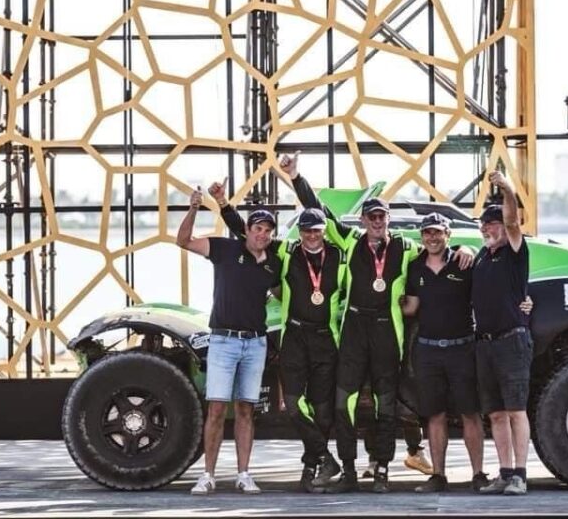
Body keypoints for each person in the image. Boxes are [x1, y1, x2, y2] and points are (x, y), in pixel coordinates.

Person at [280, 152, 472, 493]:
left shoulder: (405, 247)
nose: (377, 222)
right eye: (371, 217)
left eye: (382, 216)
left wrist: (463, 248)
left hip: (386, 331)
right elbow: (319, 210)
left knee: (386, 404)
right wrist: (296, 177)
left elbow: (436, 248)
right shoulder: (350, 241)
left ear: (388, 220)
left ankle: (382, 468)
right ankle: (349, 470)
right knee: (344, 403)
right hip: (354, 329)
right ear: (364, 220)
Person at [211, 180, 344, 493]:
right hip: (295, 337)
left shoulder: (340, 255)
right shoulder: (287, 250)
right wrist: (223, 204)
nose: (311, 235)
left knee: (322, 410)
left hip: (326, 340)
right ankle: (325, 458)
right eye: (306, 230)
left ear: (324, 231)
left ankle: (312, 466)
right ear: (300, 232)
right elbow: (245, 232)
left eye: (317, 230)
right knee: (294, 405)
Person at [176, 186, 280, 496]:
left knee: (246, 410)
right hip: (223, 341)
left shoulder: (273, 264)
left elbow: (281, 293)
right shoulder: (224, 249)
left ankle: (244, 474)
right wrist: (194, 208)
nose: (262, 234)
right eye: (258, 228)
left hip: (256, 343)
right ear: (247, 229)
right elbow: (183, 241)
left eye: (267, 230)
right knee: (217, 410)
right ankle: (207, 475)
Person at [401, 212, 488, 493]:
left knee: (470, 413)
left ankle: (478, 474)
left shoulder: (464, 262)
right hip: (427, 351)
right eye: (427, 232)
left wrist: (470, 249)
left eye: (438, 232)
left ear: (448, 235)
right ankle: (438, 475)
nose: (432, 237)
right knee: (434, 415)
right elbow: (411, 307)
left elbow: (490, 291)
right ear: (422, 236)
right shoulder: (415, 267)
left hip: (462, 348)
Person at [472, 170, 532, 496]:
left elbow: (512, 222)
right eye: (483, 225)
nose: (487, 229)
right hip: (485, 344)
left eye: (492, 224)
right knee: (495, 414)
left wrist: (507, 188)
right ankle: (505, 473)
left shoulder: (514, 251)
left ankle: (520, 475)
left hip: (512, 340)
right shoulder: (483, 255)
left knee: (516, 411)